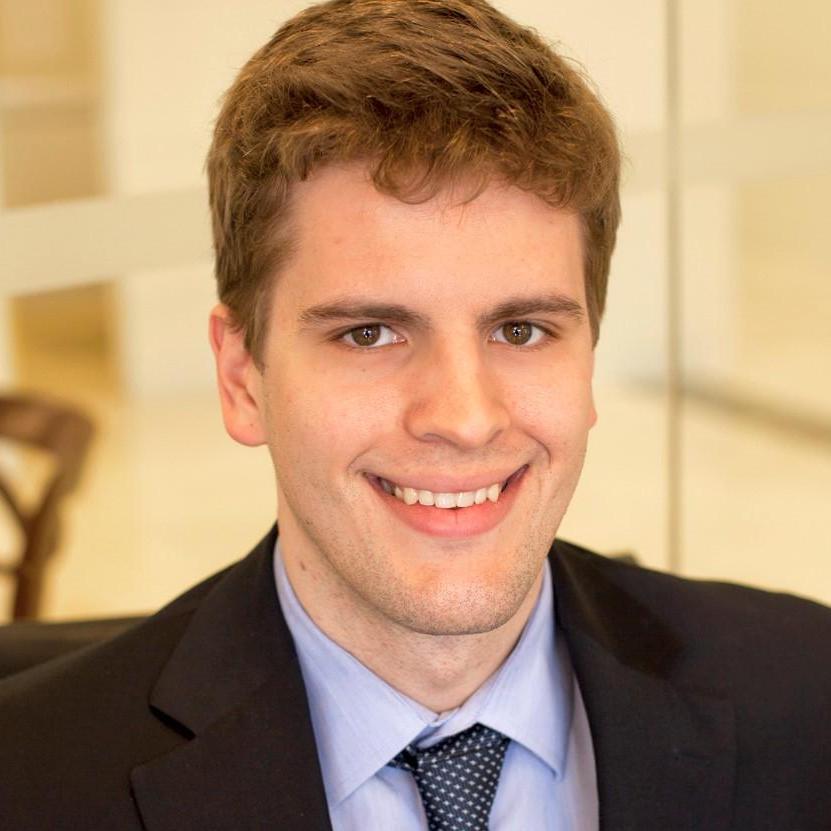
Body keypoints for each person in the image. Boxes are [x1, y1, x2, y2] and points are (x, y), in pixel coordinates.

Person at [1, 1, 830, 829]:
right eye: (369, 332)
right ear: (242, 377)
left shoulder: (809, 700)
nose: (464, 418)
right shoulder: (29, 779)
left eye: (520, 329)